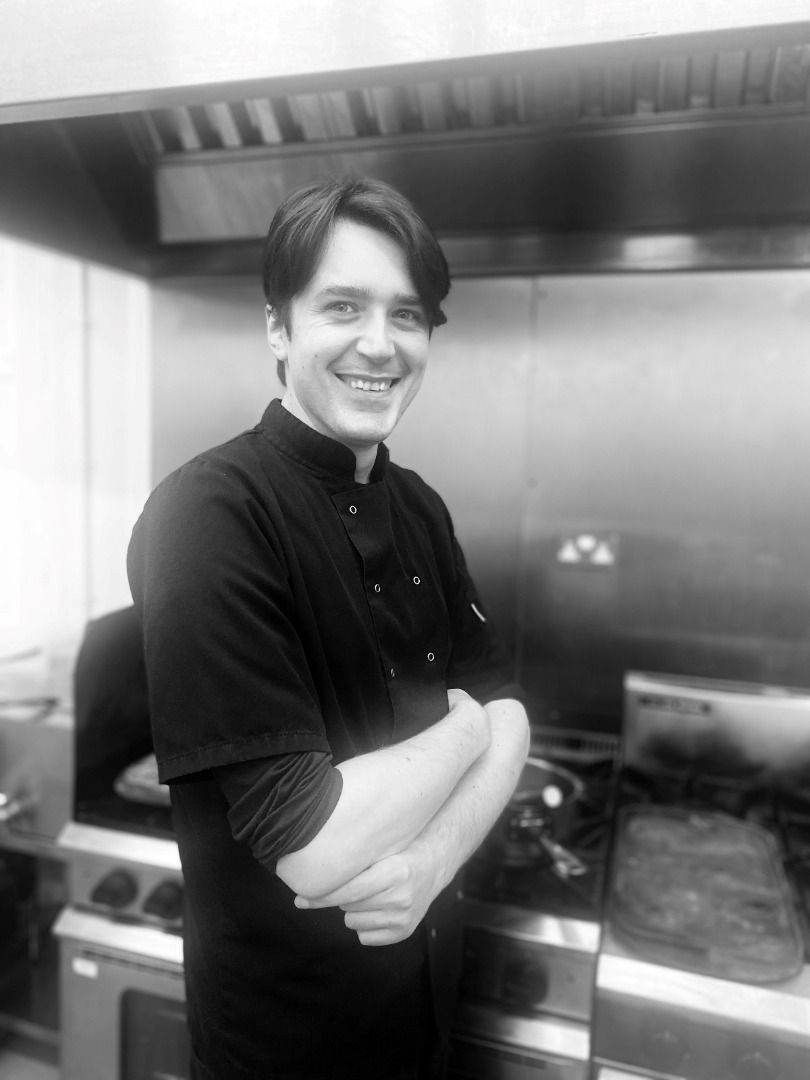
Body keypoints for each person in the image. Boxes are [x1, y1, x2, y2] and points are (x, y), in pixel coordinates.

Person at [127, 175, 530, 1080]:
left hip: (420, 1011)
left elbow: (512, 704)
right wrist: (468, 730)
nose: (380, 346)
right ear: (279, 328)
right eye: (342, 306)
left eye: (409, 315)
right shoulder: (209, 513)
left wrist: (431, 862)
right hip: (284, 1042)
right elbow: (313, 842)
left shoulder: (418, 504)